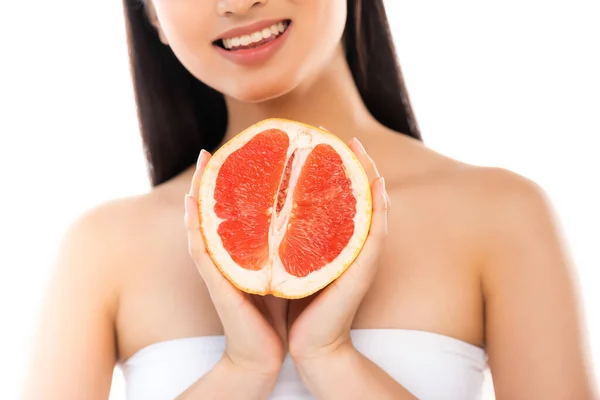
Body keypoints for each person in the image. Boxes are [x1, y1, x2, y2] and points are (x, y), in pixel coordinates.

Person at [22, 0, 597, 399]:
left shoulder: (501, 215)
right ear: (152, 15)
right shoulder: (102, 247)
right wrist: (242, 369)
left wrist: (333, 359)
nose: (236, 3)